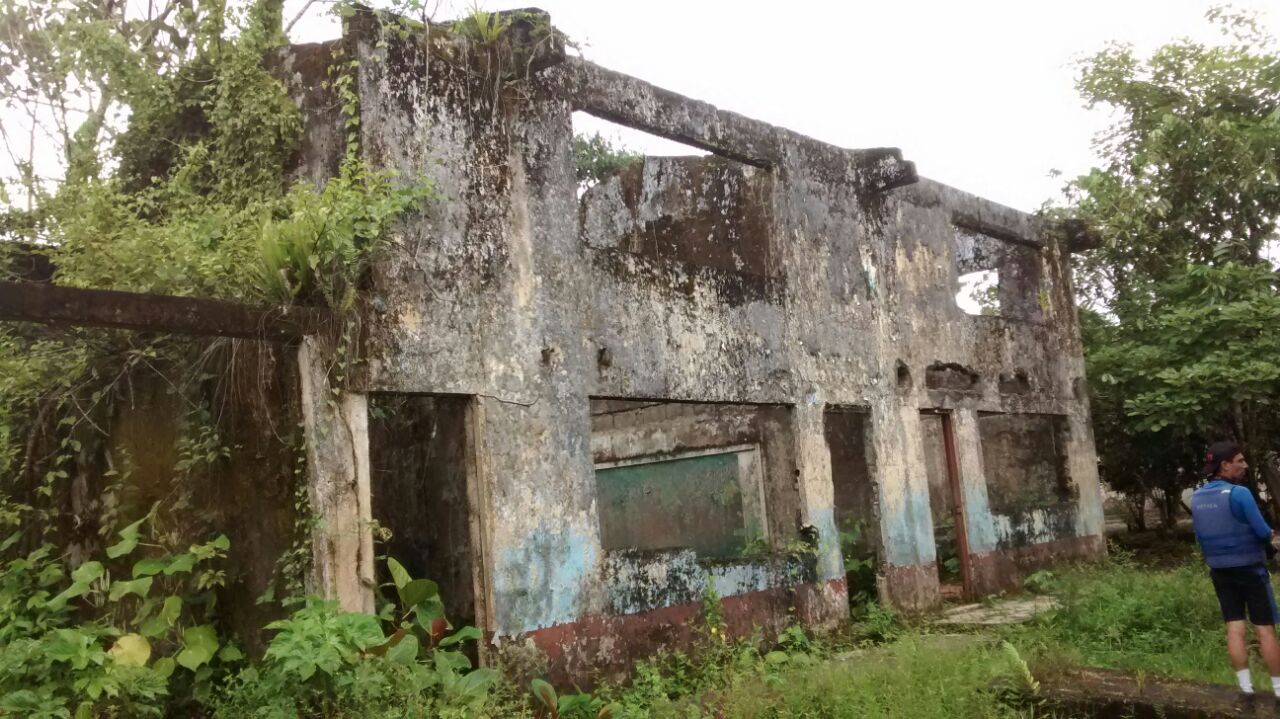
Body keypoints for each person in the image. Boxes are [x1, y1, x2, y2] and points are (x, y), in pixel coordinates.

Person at [1189, 442, 1280, 700]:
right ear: (1225, 465)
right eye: (1240, 461)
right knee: (1265, 628)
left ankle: (1245, 689)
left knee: (1234, 626)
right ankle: (1278, 690)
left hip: (1220, 571)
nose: (1245, 465)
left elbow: (1200, 537)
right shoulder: (1239, 493)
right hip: (1250, 570)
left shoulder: (1197, 498)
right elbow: (1263, 532)